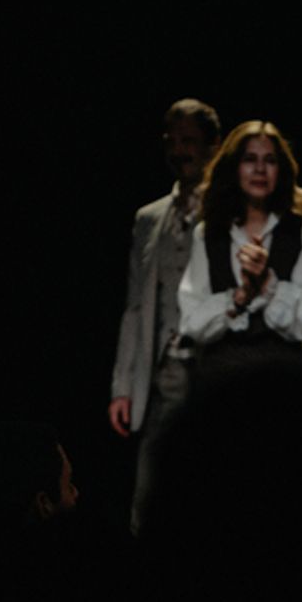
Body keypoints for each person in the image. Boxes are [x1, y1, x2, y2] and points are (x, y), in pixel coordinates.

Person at [109, 98, 220, 535]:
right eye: (171, 142)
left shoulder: (230, 214)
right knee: (151, 486)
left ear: (212, 146)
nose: (179, 152)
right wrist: (123, 386)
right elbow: (136, 306)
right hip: (166, 370)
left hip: (214, 367)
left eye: (189, 142)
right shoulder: (149, 219)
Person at [179, 121, 302, 381]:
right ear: (235, 167)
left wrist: (267, 284)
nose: (259, 169)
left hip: (282, 374)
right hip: (221, 377)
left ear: (280, 169)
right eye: (250, 159)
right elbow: (192, 323)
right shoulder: (209, 233)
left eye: (269, 160)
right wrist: (240, 296)